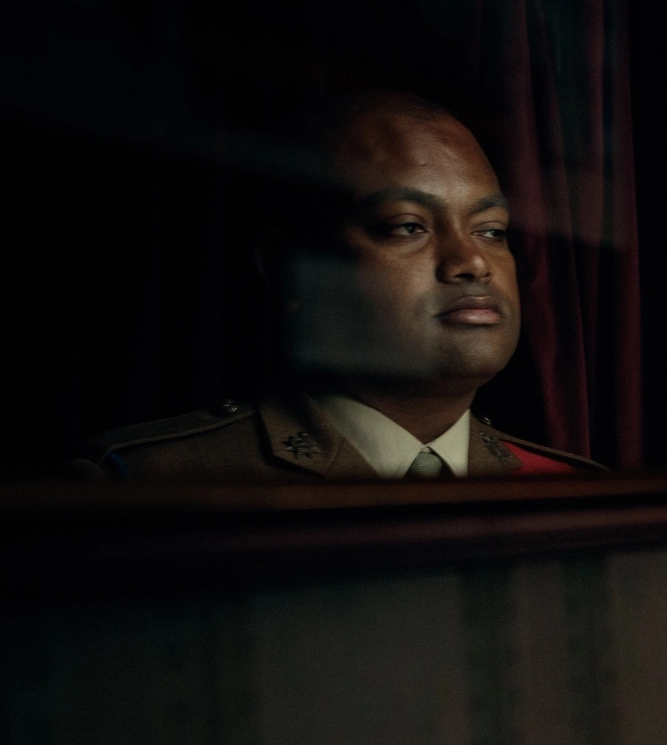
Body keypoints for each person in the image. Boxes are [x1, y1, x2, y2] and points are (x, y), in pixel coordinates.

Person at [75, 92, 596, 480]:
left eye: (492, 231)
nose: (472, 263)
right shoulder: (148, 485)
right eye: (407, 226)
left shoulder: (572, 491)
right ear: (289, 269)